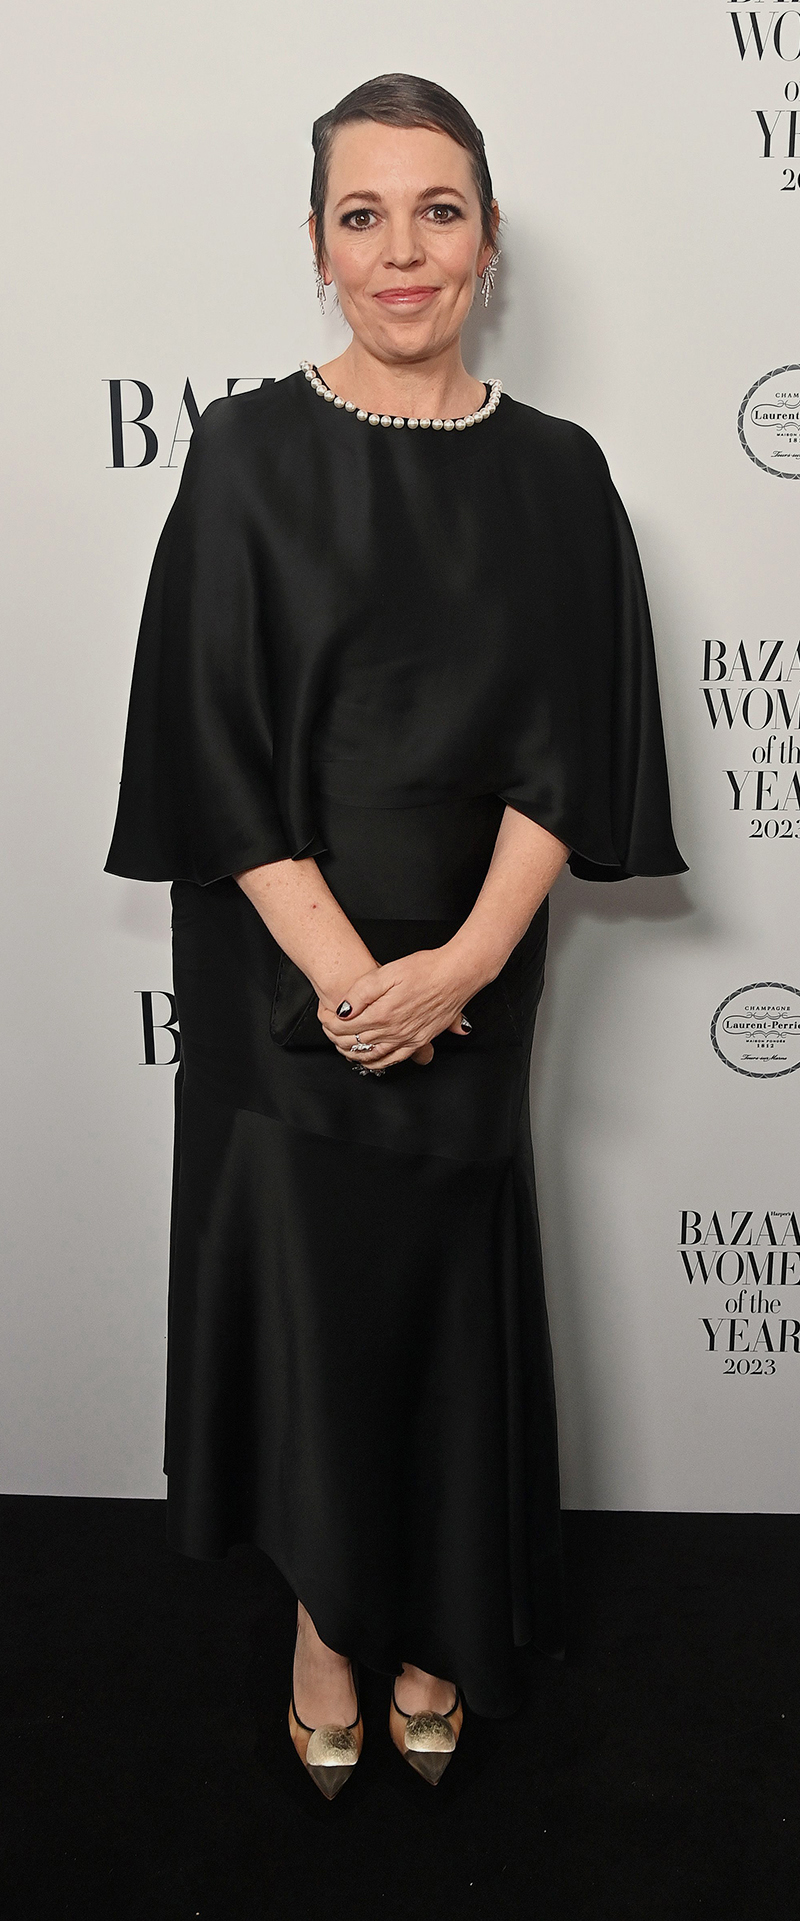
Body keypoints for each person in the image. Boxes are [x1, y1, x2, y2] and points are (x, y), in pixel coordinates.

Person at [106, 72, 686, 1799]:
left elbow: (576, 747)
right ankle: (324, 1623)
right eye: (363, 215)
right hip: (285, 987)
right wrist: (352, 977)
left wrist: (466, 964)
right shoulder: (244, 455)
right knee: (311, 1303)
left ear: (489, 241)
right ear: (316, 245)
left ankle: (439, 1622)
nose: (403, 250)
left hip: (473, 976)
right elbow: (208, 743)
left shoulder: (561, 474)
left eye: (439, 211)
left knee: (442, 1304)